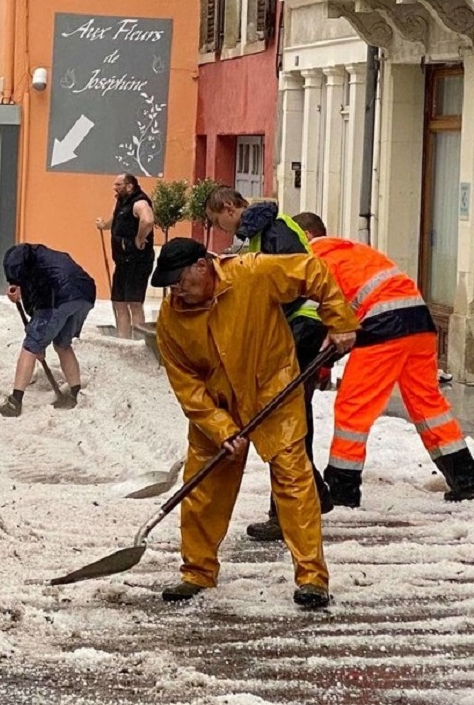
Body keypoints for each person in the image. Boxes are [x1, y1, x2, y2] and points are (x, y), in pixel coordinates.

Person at [151, 238, 359, 609]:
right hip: (216, 406)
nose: (176, 290)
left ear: (202, 265)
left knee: (294, 481)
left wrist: (340, 320)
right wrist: (219, 426)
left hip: (271, 392)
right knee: (203, 490)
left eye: (180, 280)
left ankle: (312, 578)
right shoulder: (171, 317)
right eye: (170, 285)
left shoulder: (252, 273)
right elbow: (185, 382)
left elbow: (313, 271)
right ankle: (196, 572)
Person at [293, 212, 474, 505]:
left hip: (382, 327)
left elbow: (316, 319)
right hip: (420, 322)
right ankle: (466, 478)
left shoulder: (314, 258)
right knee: (428, 405)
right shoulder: (353, 250)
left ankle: (342, 489)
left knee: (354, 406)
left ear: (307, 236)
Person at [205, 187, 334, 542]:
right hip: (298, 326)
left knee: (283, 418)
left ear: (230, 208)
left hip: (302, 327)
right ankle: (313, 495)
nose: (226, 231)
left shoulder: (274, 231)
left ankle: (288, 510)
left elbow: (290, 282)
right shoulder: (265, 233)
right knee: (293, 416)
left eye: (221, 222)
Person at [0, 243, 96, 416]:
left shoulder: (31, 271)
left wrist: (37, 344)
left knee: (30, 347)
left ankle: (15, 403)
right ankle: (75, 394)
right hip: (85, 294)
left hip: (59, 296)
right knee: (62, 344)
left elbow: (39, 308)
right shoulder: (43, 258)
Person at [94, 173, 154, 340]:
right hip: (122, 261)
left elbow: (148, 220)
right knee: (118, 302)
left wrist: (139, 239)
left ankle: (138, 341)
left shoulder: (139, 201)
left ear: (129, 186)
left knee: (134, 303)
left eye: (118, 184)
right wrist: (104, 225)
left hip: (137, 262)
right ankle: (123, 339)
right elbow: (118, 219)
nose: (115, 187)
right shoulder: (123, 201)